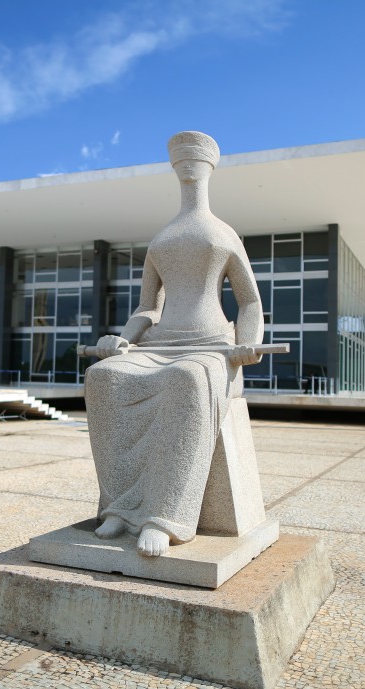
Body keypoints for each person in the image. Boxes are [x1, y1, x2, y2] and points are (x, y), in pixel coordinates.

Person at [84, 131, 263, 558]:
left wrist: (248, 342)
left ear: (209, 167)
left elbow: (250, 300)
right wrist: (122, 340)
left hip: (211, 345)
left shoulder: (223, 233)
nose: (187, 167)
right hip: (159, 343)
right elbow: (147, 307)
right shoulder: (162, 239)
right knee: (103, 377)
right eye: (179, 161)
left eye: (194, 160)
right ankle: (121, 507)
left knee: (186, 379)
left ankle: (164, 517)